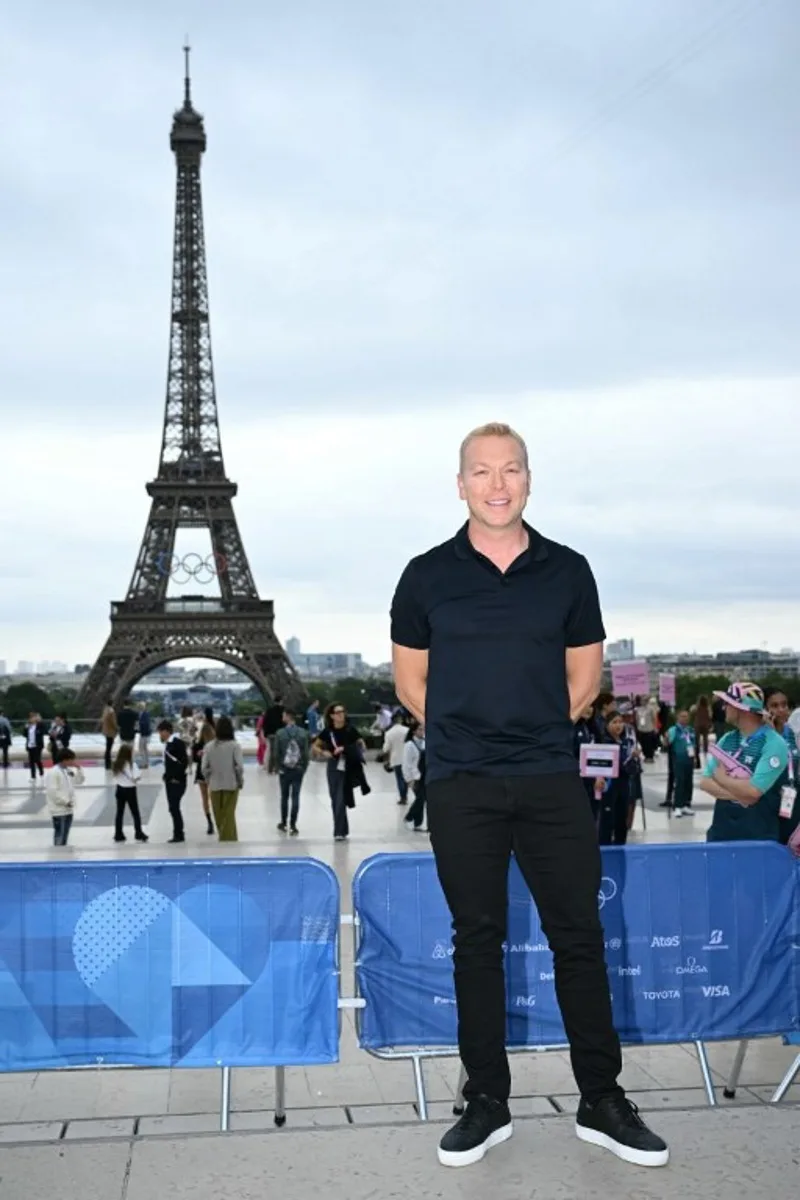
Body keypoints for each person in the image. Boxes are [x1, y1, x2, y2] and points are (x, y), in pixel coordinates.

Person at [390, 422, 667, 1170]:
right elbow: (411, 685)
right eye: (481, 471)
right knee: (476, 940)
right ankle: (486, 1100)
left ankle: (601, 1099)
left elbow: (584, 680)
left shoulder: (569, 571)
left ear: (528, 479)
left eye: (510, 468)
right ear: (461, 485)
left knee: (578, 936)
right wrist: (471, 737)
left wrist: (529, 734)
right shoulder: (424, 575)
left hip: (549, 778)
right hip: (462, 783)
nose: (497, 483)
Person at [698, 682, 788, 842]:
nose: (724, 707)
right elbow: (705, 782)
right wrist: (743, 794)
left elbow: (754, 791)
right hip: (722, 831)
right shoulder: (727, 739)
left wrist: (722, 779)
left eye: (728, 703)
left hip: (757, 836)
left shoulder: (773, 743)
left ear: (741, 708)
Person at [313, 703, 366, 841]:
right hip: (333, 766)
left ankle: (338, 831)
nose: (341, 714)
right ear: (331, 716)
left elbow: (361, 744)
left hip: (347, 765)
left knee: (341, 798)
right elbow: (315, 746)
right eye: (338, 712)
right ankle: (342, 829)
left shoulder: (351, 730)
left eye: (342, 711)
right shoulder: (328, 732)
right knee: (335, 797)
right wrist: (324, 752)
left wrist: (350, 749)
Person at [763, 687, 799, 845]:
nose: (781, 710)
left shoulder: (791, 734)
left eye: (784, 705)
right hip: (768, 803)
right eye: (775, 706)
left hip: (792, 799)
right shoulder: (760, 736)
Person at [201, 715, 244, 842]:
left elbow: (204, 768)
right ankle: (229, 841)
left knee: (219, 816)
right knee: (229, 815)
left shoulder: (209, 747)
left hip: (214, 786)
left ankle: (224, 839)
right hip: (231, 785)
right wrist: (239, 780)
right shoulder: (235, 746)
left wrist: (210, 779)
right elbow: (239, 767)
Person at [595, 711, 630, 845]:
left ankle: (621, 847)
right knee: (607, 820)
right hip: (609, 786)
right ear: (607, 725)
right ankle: (606, 849)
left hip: (624, 785)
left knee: (622, 819)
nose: (618, 725)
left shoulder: (626, 741)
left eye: (620, 722)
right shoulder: (603, 742)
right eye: (614, 722)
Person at [275, 709, 310, 835]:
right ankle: (293, 825)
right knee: (296, 796)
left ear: (288, 716)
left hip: (284, 769)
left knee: (284, 797)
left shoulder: (280, 733)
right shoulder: (303, 733)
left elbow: (276, 753)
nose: (282, 716)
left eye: (283, 715)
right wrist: (304, 767)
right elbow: (306, 753)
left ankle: (283, 822)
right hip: (298, 768)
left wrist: (278, 767)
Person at [44, 748, 84, 846]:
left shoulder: (68, 771)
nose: (73, 762)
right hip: (59, 810)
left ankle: (62, 855)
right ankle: (57, 857)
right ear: (65, 759)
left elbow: (79, 781)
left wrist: (79, 769)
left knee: (65, 835)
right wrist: (65, 801)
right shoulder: (54, 772)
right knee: (60, 834)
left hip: (68, 809)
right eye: (71, 759)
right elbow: (52, 792)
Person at [157, 719, 189, 843]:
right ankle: (178, 832)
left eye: (160, 732)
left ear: (166, 731)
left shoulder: (177, 743)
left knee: (174, 807)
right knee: (172, 808)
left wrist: (176, 777)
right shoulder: (166, 744)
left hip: (177, 781)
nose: (160, 734)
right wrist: (166, 775)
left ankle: (179, 834)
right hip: (169, 780)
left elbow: (183, 762)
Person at [111, 743, 148, 843]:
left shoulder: (116, 764)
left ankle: (118, 833)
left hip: (119, 788)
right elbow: (136, 777)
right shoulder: (131, 764)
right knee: (135, 812)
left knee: (120, 812)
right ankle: (138, 833)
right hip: (130, 790)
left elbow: (115, 777)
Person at [667, 710, 696, 818]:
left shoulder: (691, 730)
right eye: (682, 716)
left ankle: (686, 804)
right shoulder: (674, 730)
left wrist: (695, 758)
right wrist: (666, 739)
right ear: (678, 718)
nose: (685, 718)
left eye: (686, 716)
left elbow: (693, 744)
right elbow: (668, 742)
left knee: (688, 782)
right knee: (680, 782)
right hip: (678, 759)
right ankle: (677, 806)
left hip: (689, 759)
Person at [193, 708, 217, 836]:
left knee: (204, 798)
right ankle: (218, 819)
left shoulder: (201, 736)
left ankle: (209, 822)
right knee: (214, 796)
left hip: (202, 770)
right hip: (214, 770)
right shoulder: (216, 732)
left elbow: (195, 756)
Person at [402, 720, 428, 831]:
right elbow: (406, 763)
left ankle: (418, 824)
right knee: (420, 798)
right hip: (415, 777)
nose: (422, 731)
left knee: (422, 799)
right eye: (420, 729)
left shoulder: (425, 742)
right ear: (414, 731)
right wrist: (409, 779)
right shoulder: (409, 745)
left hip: (425, 775)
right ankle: (409, 816)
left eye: (423, 729)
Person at [383, 711, 410, 804]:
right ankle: (405, 796)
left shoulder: (389, 733)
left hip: (395, 759)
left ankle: (403, 798)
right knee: (406, 778)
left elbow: (386, 748)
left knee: (399, 778)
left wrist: (386, 759)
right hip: (407, 758)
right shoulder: (407, 730)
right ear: (401, 720)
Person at [24, 711, 46, 781]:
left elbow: (44, 731)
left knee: (37, 759)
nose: (31, 719)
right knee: (31, 761)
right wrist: (25, 728)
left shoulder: (39, 725)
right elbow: (24, 735)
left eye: (33, 717)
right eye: (30, 718)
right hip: (30, 745)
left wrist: (40, 721)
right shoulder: (29, 726)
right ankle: (33, 776)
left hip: (37, 745)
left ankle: (41, 771)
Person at [691, 695, 711, 767]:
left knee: (697, 740)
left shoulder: (696, 707)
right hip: (705, 725)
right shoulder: (707, 707)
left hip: (698, 725)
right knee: (705, 738)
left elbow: (692, 711)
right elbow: (710, 715)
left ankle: (697, 751)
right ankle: (705, 751)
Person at [101, 698, 118, 770]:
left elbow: (103, 720)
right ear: (112, 704)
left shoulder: (105, 710)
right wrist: (117, 729)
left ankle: (107, 762)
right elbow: (113, 723)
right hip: (110, 732)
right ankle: (108, 764)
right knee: (109, 748)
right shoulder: (111, 711)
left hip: (106, 731)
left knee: (108, 747)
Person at [138, 704, 152, 769]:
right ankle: (146, 763)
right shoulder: (145, 713)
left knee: (142, 748)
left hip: (144, 734)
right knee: (144, 749)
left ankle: (144, 763)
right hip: (145, 734)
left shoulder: (145, 714)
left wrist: (139, 723)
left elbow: (145, 723)